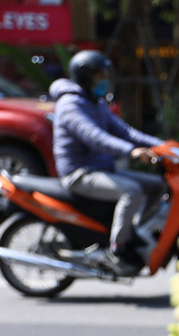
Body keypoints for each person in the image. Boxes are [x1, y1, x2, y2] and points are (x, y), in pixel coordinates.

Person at [52, 50, 165, 276]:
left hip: (103, 169)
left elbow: (124, 131)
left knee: (157, 185)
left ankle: (134, 232)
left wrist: (163, 145)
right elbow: (96, 138)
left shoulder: (96, 101)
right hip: (80, 174)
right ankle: (117, 249)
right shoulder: (71, 105)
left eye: (105, 73)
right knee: (131, 191)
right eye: (99, 74)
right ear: (85, 76)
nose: (105, 78)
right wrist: (132, 152)